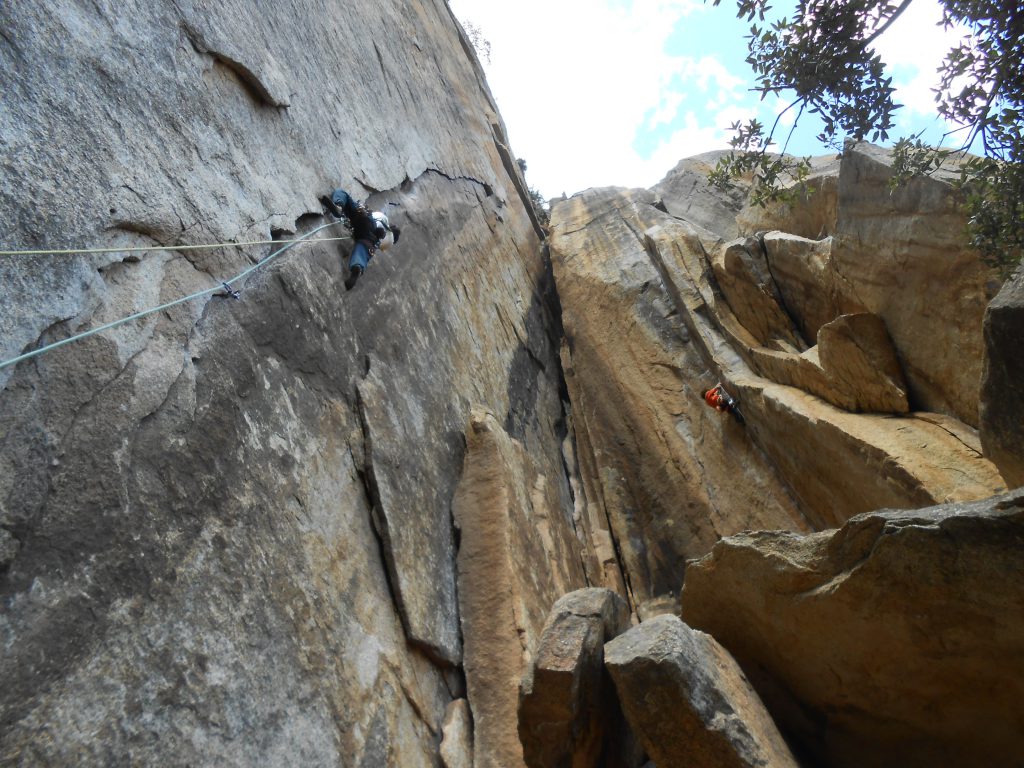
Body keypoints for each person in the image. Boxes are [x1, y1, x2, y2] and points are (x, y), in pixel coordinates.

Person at [320, 188, 401, 290]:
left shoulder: (384, 219)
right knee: (362, 250)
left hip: (361, 216)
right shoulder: (388, 241)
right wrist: (378, 235)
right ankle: (357, 268)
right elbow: (379, 245)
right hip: (368, 238)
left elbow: (374, 218)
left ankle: (338, 205)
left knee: (345, 197)